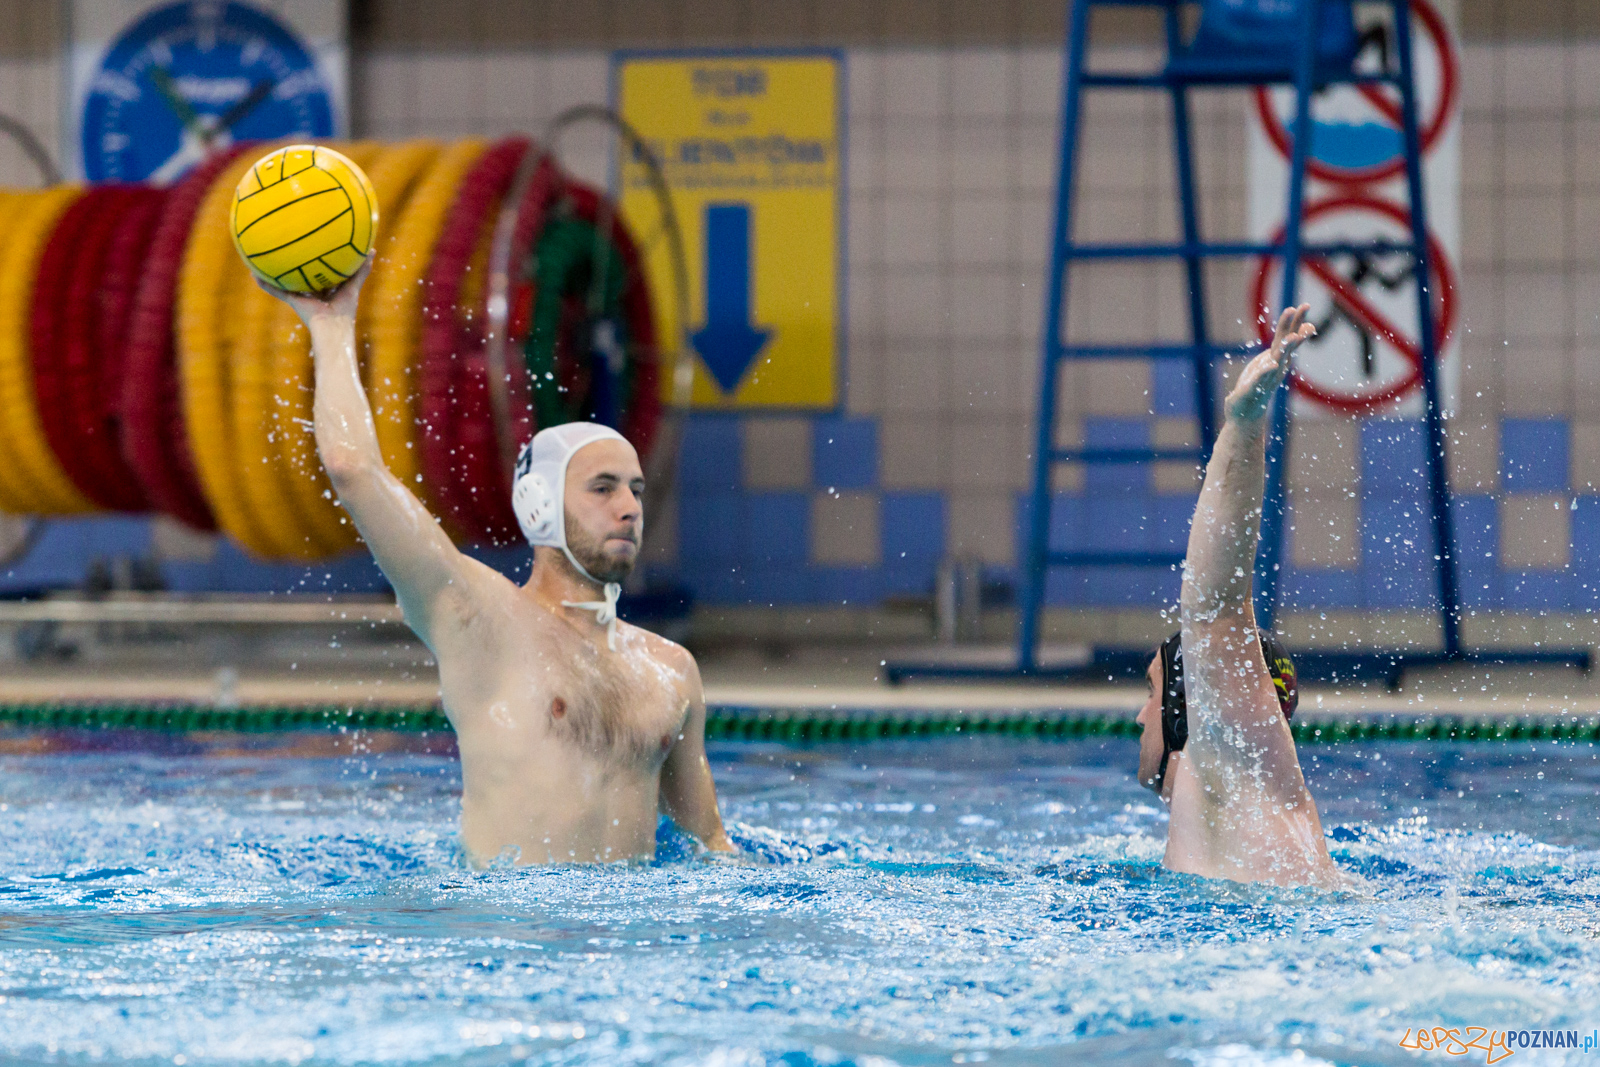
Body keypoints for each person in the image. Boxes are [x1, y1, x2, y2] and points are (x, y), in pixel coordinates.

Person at [264, 263, 735, 866]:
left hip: (630, 948)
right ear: (538, 506)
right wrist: (331, 329)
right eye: (603, 488)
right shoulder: (479, 618)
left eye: (637, 491)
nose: (629, 509)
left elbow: (709, 846)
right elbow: (354, 470)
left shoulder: (672, 672)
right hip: (509, 941)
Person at [1134, 304, 1341, 887]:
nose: (1141, 715)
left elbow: (1218, 608)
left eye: (1153, 692)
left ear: (1190, 707)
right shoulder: (1226, 813)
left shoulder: (1231, 768)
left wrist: (1244, 428)